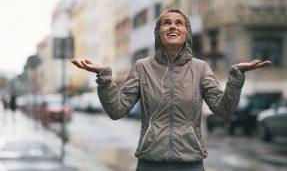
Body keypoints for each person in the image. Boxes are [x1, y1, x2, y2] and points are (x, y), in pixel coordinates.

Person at [71, 9, 271, 171]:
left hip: (190, 164)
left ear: (186, 33)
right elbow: (117, 111)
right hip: (150, 163)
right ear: (159, 32)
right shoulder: (142, 67)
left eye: (179, 23)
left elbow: (223, 110)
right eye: (167, 22)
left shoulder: (200, 68)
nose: (173, 26)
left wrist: (236, 76)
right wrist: (104, 78)